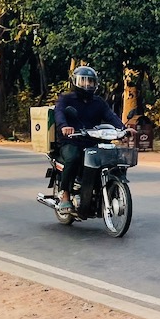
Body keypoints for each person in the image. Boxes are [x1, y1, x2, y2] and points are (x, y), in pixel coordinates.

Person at [54, 66, 124, 216]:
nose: (87, 85)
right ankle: (65, 194)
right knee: (73, 158)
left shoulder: (98, 102)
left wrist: (123, 129)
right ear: (75, 82)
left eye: (90, 82)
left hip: (93, 141)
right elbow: (59, 113)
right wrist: (65, 126)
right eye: (83, 81)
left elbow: (110, 116)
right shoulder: (66, 99)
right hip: (72, 141)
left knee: (111, 156)